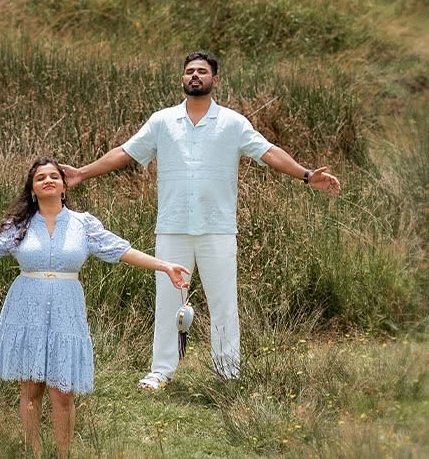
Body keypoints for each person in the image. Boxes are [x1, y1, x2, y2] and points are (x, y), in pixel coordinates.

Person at [61, 52, 342, 390]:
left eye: (202, 72)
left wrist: (306, 174)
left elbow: (268, 152)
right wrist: (82, 173)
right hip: (173, 225)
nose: (195, 76)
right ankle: (161, 371)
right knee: (168, 298)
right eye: (189, 71)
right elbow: (125, 152)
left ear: (215, 80)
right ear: (182, 79)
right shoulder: (162, 121)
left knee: (223, 301)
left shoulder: (233, 123)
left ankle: (227, 372)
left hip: (217, 227)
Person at [0, 156, 188, 457]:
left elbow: (121, 250)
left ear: (64, 186)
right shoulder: (20, 226)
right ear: (33, 189)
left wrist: (164, 265)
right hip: (27, 309)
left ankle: (62, 454)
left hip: (67, 309)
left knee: (62, 392)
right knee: (31, 388)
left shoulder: (83, 224)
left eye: (54, 176)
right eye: (41, 178)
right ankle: (33, 453)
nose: (48, 180)